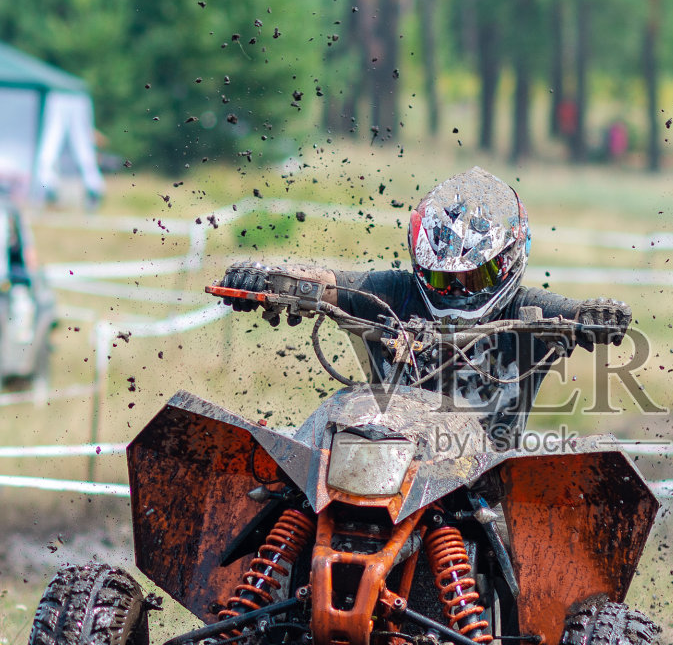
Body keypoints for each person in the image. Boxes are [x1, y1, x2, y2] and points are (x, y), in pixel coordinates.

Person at [219, 166, 631, 446]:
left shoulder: (526, 308)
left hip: (482, 479)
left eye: (471, 278)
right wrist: (269, 279)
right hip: (381, 450)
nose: (453, 291)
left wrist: (595, 317)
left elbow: (571, 312)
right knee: (287, 490)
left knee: (531, 549)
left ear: (508, 263)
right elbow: (327, 284)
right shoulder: (393, 293)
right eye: (440, 278)